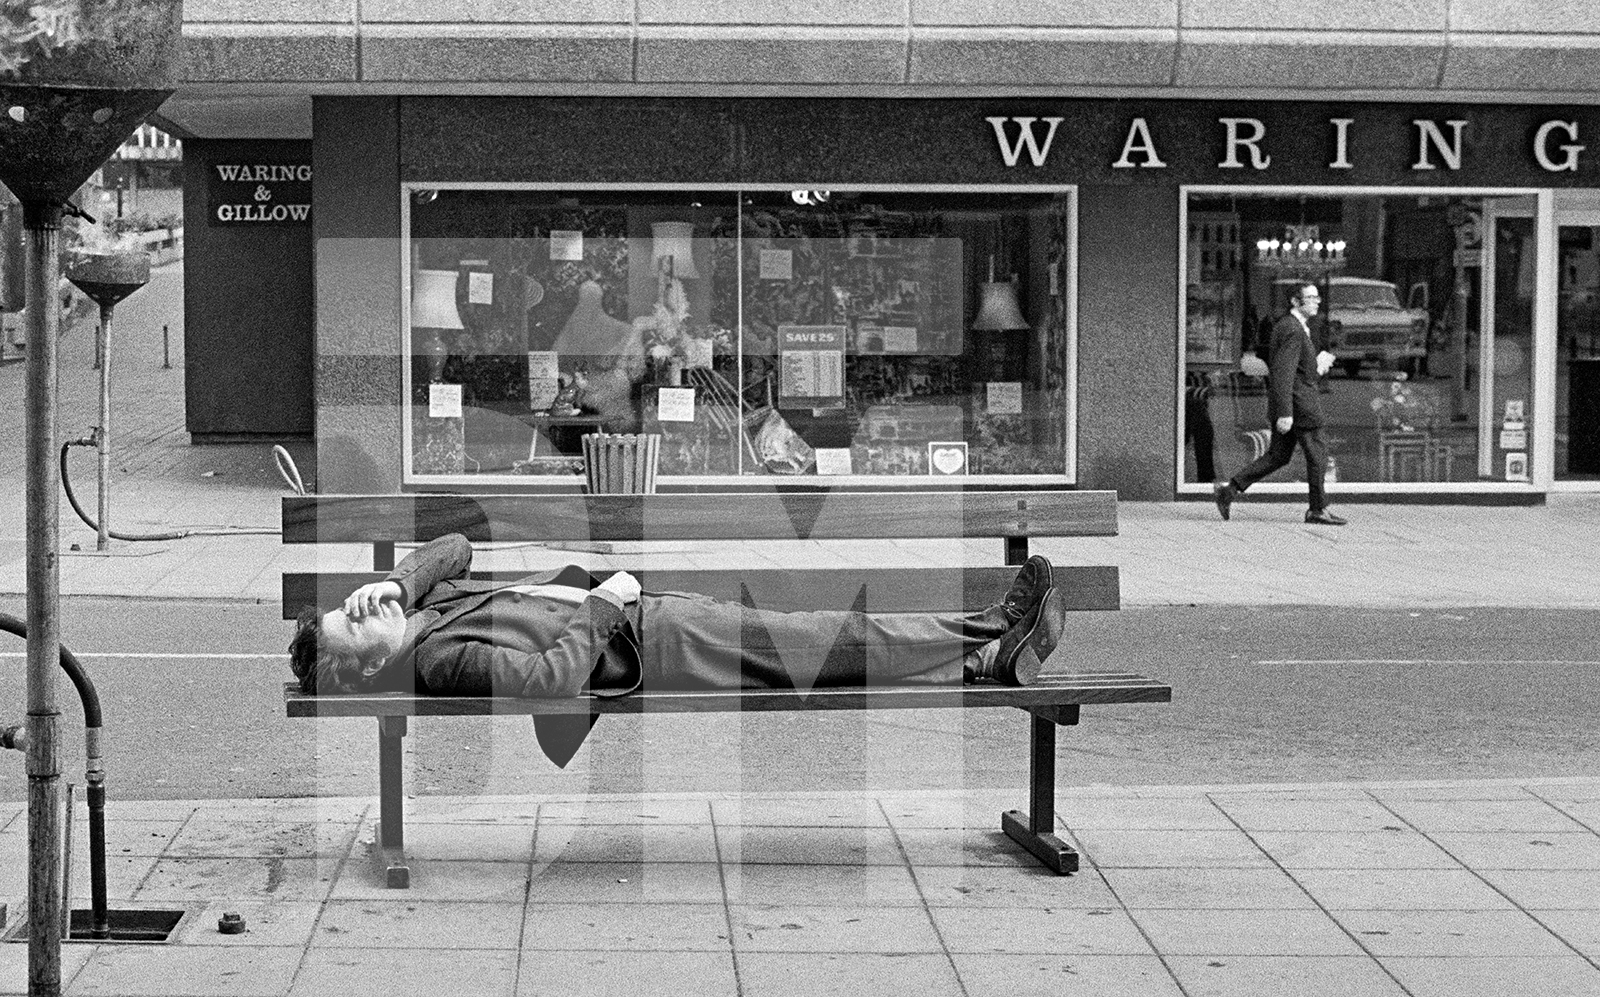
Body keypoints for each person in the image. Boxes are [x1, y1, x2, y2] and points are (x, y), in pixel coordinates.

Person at [290, 533, 1067, 767]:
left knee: (822, 643)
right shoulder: (436, 659)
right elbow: (548, 679)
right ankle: (995, 625)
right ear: (364, 665)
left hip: (651, 618)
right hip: (653, 639)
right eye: (353, 625)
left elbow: (453, 544)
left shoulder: (419, 610)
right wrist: (606, 602)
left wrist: (390, 584)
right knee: (828, 640)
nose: (359, 613)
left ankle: (985, 660)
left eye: (349, 609)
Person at [1214, 282, 1347, 526]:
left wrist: (1317, 366)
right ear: (1295, 302)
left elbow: (1295, 372)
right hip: (1301, 407)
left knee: (1278, 456)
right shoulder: (1293, 329)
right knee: (1317, 456)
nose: (1317, 301)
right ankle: (1317, 509)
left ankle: (1229, 490)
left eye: (1317, 297)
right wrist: (1285, 412)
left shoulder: (1292, 327)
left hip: (1294, 405)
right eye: (1311, 297)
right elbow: (1283, 373)